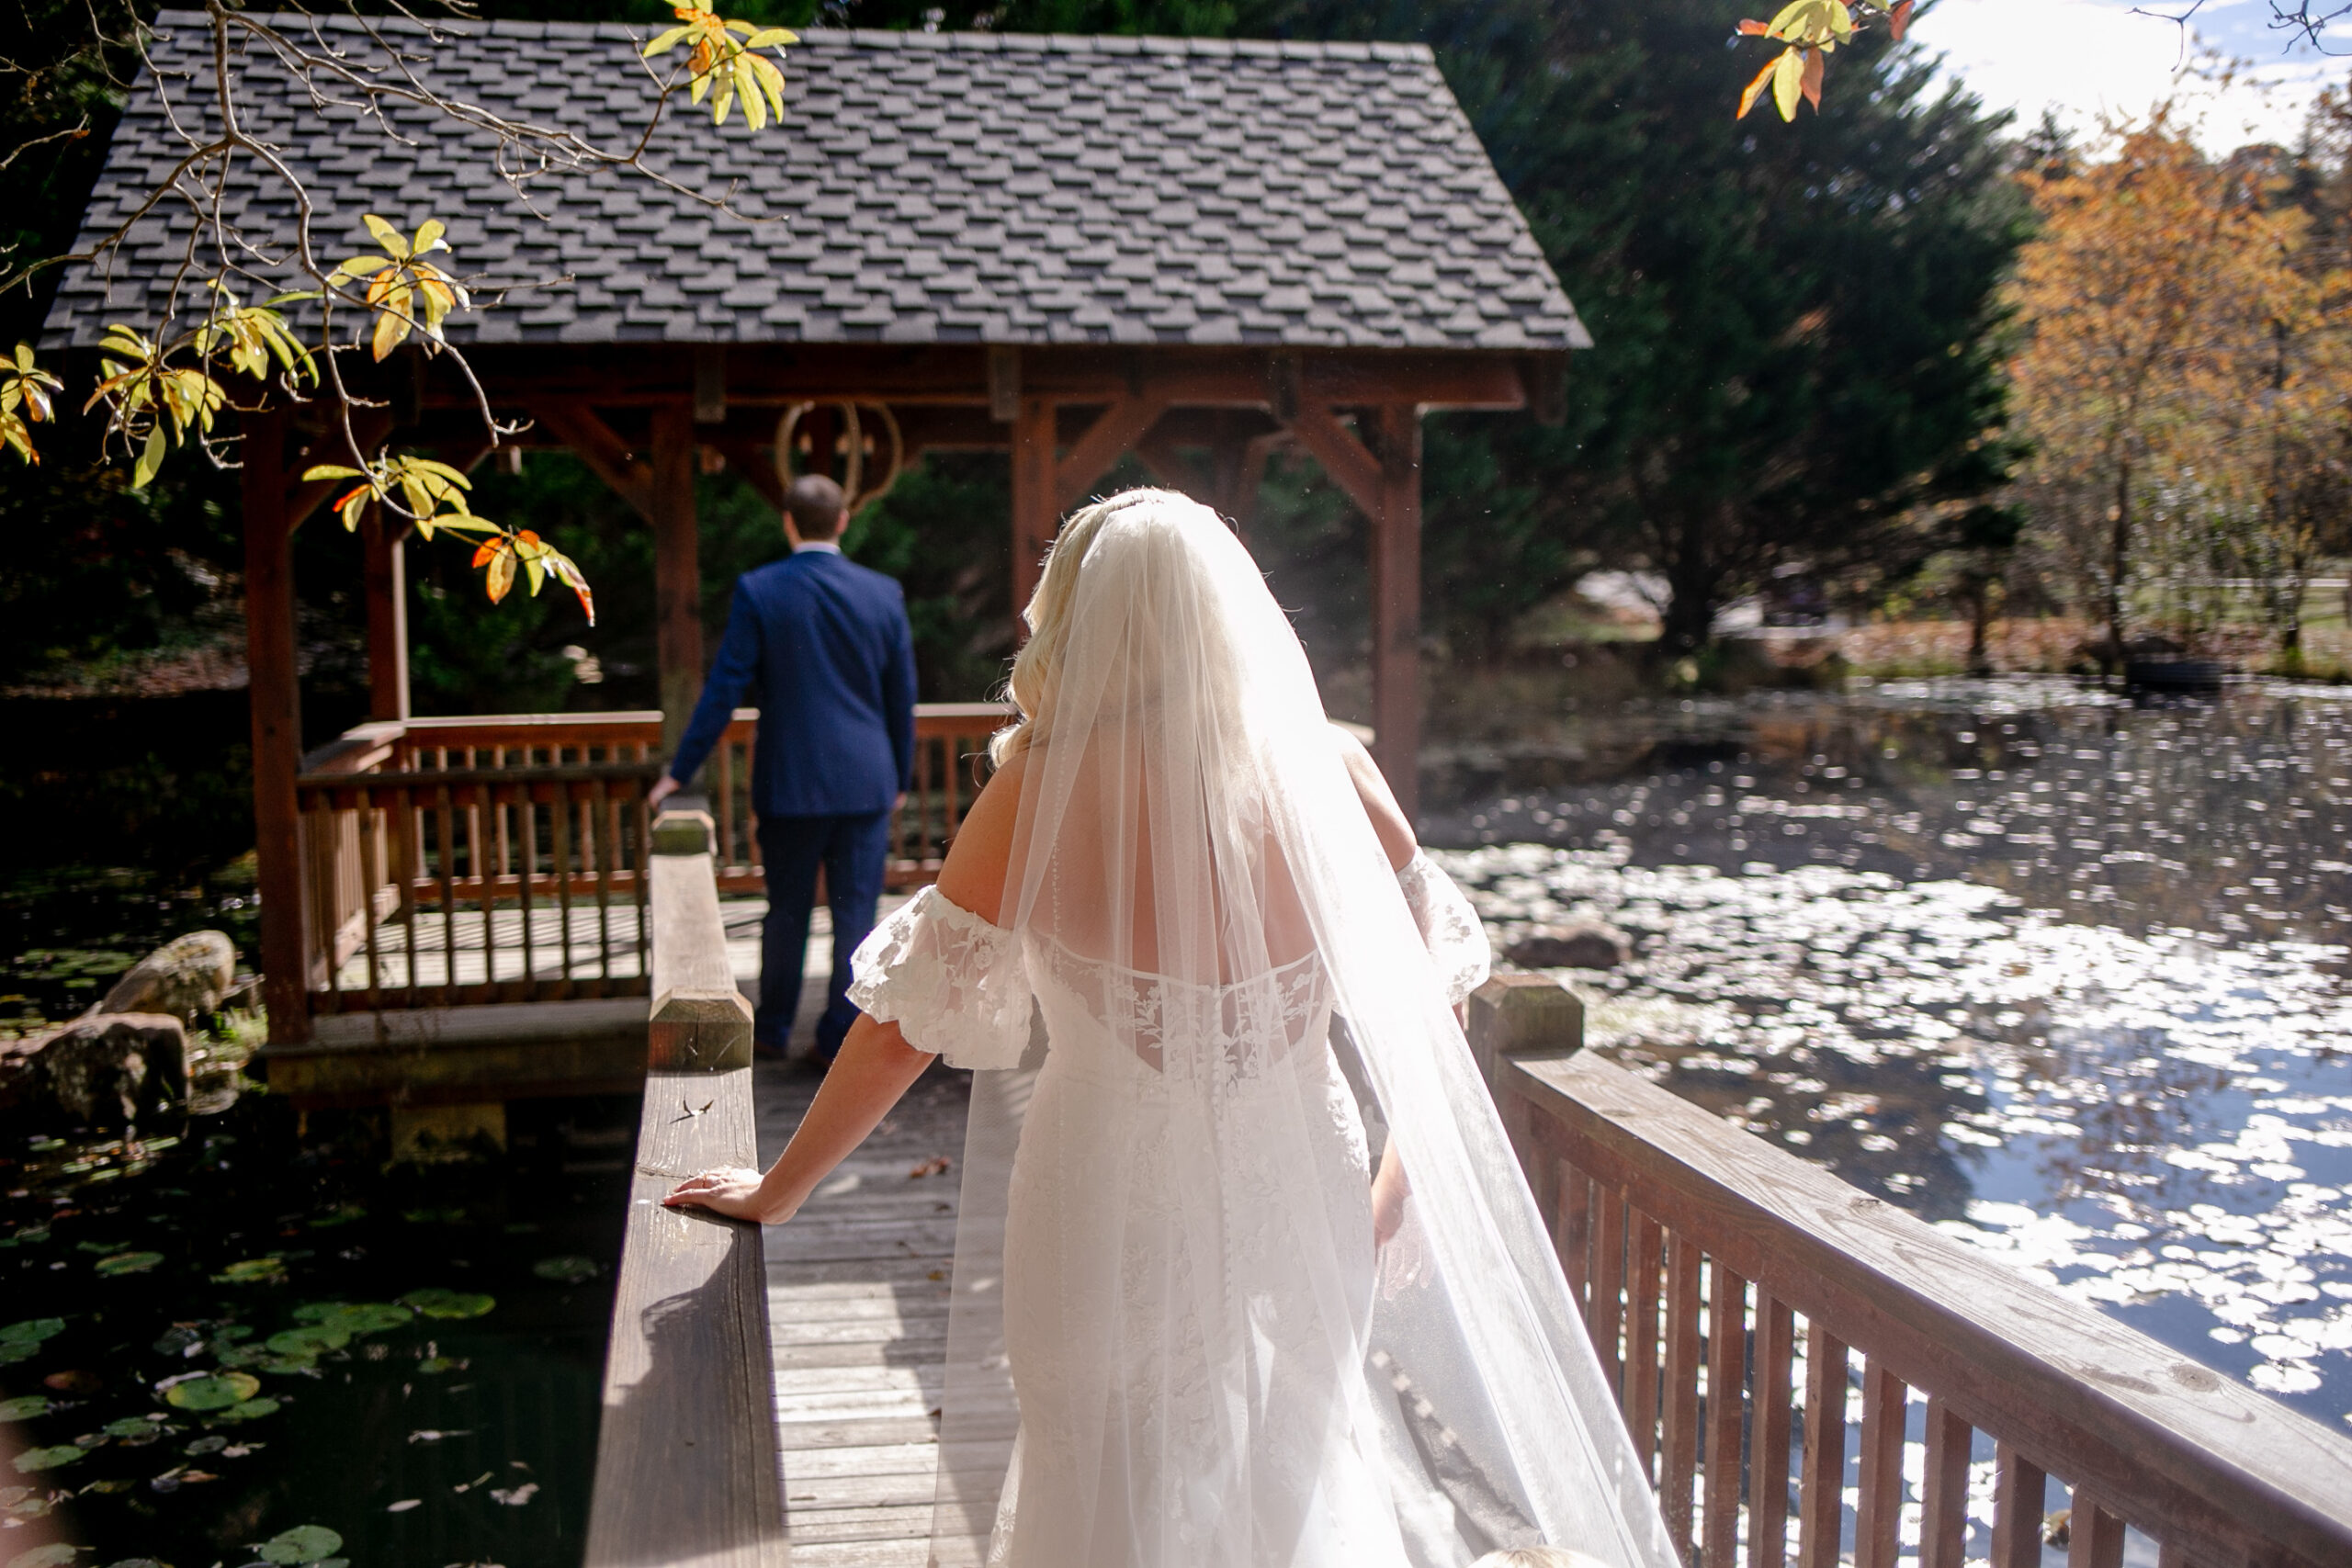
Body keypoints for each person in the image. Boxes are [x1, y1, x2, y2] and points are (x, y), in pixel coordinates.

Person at [667, 491, 1673, 1567]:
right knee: (1293, 1469)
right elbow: (1437, 1005)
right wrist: (1389, 1191)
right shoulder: (1334, 773)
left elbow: (902, 1028)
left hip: (1106, 1189)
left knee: (1092, 1475)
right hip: (1308, 1182)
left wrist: (782, 1188)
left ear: (1079, 622)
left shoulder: (1037, 792)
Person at [647, 473, 917, 1063]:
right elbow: (902, 697)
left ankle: (771, 1030)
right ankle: (837, 1033)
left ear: (788, 522)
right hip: (866, 781)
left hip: (791, 781)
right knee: (856, 915)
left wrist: (679, 770)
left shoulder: (760, 590)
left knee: (787, 909)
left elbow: (723, 690)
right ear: (843, 520)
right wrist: (899, 775)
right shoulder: (882, 593)